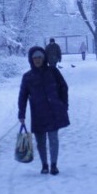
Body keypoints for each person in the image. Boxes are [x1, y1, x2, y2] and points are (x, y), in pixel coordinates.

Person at [18, 45, 69, 175]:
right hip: (38, 113)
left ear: (44, 57)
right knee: (40, 142)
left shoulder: (53, 71)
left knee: (53, 139)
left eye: (40, 57)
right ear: (31, 59)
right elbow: (22, 96)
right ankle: (44, 165)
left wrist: (64, 104)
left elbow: (64, 87)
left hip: (53, 111)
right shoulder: (27, 77)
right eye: (35, 57)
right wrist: (21, 114)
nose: (37, 60)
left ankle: (54, 165)